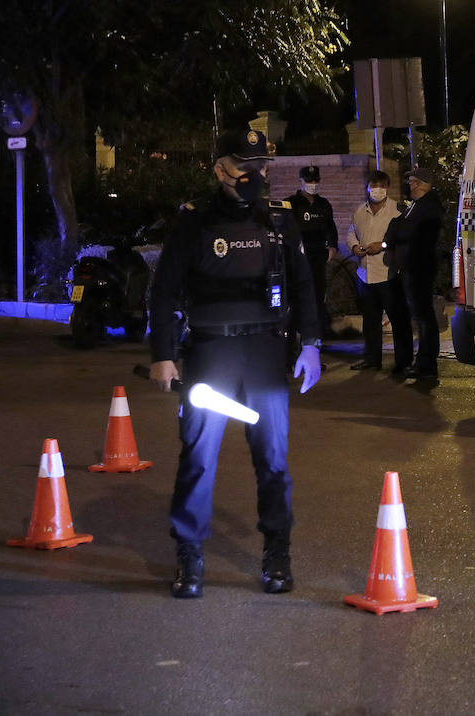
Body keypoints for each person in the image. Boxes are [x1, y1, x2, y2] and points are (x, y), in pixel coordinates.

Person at [149, 128, 322, 599]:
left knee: (273, 461)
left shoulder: (280, 220)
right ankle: (189, 554)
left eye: (261, 167)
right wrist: (164, 355)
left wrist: (311, 344)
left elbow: (304, 284)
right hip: (210, 354)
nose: (255, 176)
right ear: (221, 169)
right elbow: (164, 290)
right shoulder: (194, 221)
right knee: (198, 460)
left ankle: (277, 553)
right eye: (245, 167)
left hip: (265, 352)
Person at [346, 170, 410, 372]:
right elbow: (351, 232)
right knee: (370, 321)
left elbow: (403, 239)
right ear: (367, 187)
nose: (377, 190)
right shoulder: (359, 212)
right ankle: (372, 359)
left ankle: (403, 362)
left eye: (381, 185)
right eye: (373, 185)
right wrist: (355, 247)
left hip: (388, 274)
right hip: (365, 274)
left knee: (398, 320)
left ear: (387, 187)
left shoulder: (397, 211)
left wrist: (382, 246)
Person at [385, 165, 444, 380]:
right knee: (421, 316)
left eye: (411, 182)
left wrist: (395, 230)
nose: (409, 185)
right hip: (413, 268)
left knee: (424, 317)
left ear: (420, 184)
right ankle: (424, 362)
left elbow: (403, 229)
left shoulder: (428, 207)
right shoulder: (418, 206)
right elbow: (399, 226)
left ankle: (426, 364)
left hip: (419, 269)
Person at [284, 165, 337, 341]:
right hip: (297, 260)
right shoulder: (291, 203)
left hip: (317, 259)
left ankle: (315, 341)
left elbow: (331, 228)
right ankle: (293, 342)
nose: (313, 184)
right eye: (309, 180)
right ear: (301, 181)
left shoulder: (323, 204)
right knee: (296, 300)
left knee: (316, 299)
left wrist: (332, 246)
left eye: (316, 180)